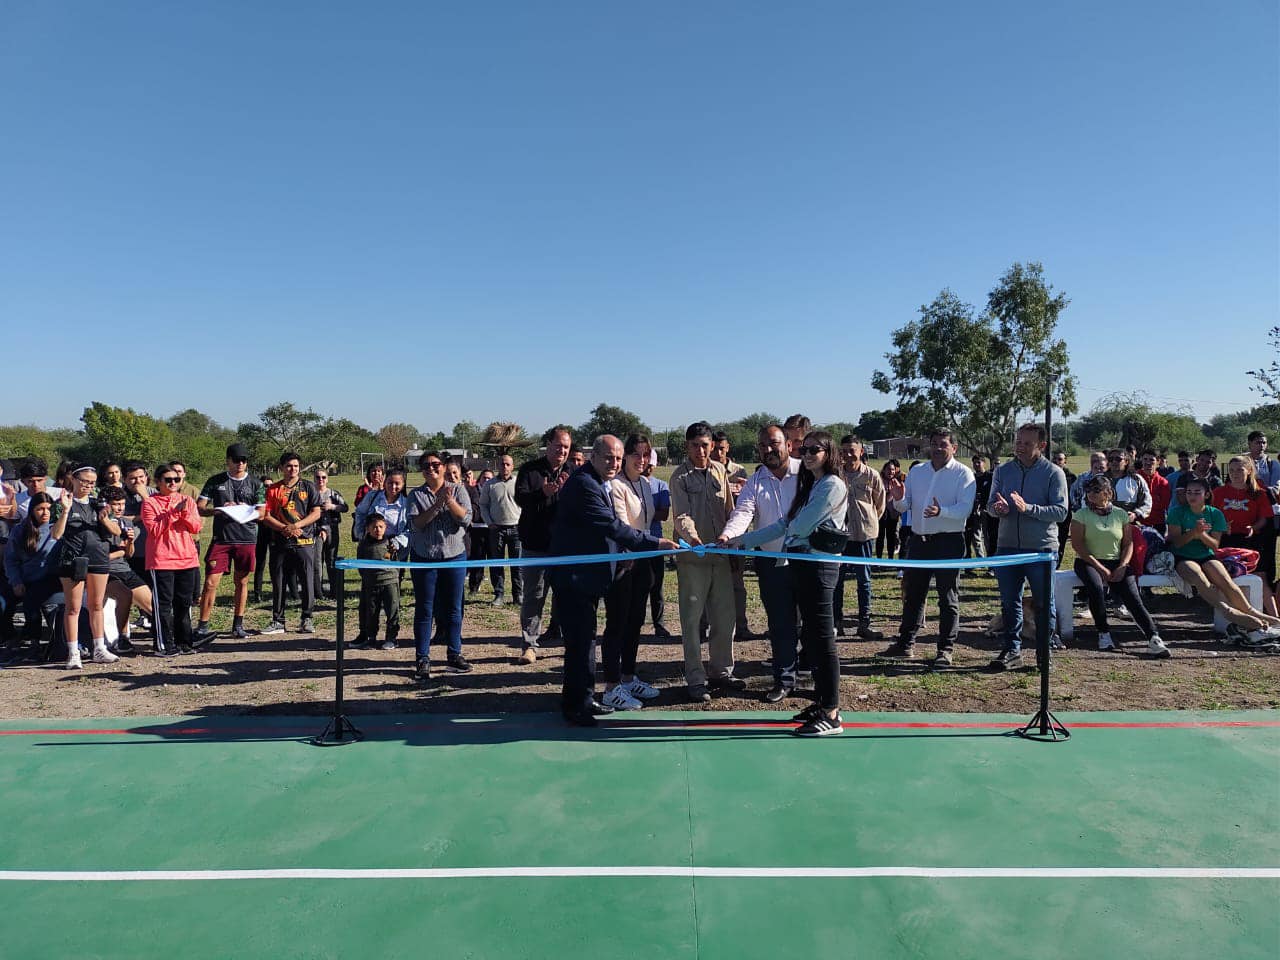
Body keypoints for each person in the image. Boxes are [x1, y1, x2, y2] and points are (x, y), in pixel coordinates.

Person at [549, 435, 679, 726]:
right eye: (608, 457)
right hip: (574, 579)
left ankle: (585, 697)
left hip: (588, 578)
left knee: (586, 641)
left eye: (618, 458)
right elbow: (612, 526)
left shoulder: (595, 481)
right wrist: (655, 543)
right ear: (592, 455)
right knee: (580, 644)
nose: (614, 463)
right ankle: (575, 706)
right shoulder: (585, 485)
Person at [729, 431, 849, 736]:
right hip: (803, 566)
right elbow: (786, 525)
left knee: (823, 640)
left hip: (820, 569)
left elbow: (800, 525)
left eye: (814, 450)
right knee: (812, 636)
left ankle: (832, 714)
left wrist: (792, 531)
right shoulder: (812, 484)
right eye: (805, 449)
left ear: (828, 452)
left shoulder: (832, 485)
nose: (807, 454)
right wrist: (740, 542)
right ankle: (822, 703)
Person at [718, 424, 802, 702]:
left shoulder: (807, 474)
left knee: (815, 625)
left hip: (806, 561)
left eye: (774, 444)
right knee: (780, 624)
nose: (768, 450)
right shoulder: (756, 480)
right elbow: (744, 511)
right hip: (770, 564)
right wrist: (730, 534)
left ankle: (817, 678)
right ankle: (784, 680)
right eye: (763, 446)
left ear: (788, 445)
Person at [883, 430, 976, 668]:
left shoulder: (964, 474)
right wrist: (897, 498)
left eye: (943, 444)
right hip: (918, 541)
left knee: (947, 599)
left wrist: (941, 511)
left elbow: (964, 510)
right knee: (913, 596)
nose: (937, 448)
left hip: (949, 543)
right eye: (934, 444)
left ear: (954, 448)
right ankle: (905, 645)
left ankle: (945, 650)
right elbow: (905, 506)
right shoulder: (917, 471)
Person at [670, 421, 744, 702]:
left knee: (725, 618)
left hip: (722, 557)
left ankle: (722, 671)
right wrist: (695, 538)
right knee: (691, 622)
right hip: (693, 558)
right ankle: (695, 677)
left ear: (713, 445)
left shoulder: (718, 471)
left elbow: (730, 511)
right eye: (694, 445)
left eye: (705, 445)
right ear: (686, 446)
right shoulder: (679, 477)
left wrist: (735, 545)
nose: (700, 450)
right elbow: (680, 515)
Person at [984, 423, 1068, 671]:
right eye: (1018, 442)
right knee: (1010, 602)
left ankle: (1044, 651)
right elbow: (990, 504)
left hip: (1040, 550)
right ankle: (1012, 650)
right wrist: (997, 509)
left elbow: (1061, 512)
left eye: (1026, 443)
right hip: (1007, 547)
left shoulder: (1054, 473)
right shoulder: (1003, 471)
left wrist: (1028, 508)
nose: (1019, 447)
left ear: (1041, 446)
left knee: (1043, 603)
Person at [1166, 477, 1280, 645]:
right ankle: (1230, 612)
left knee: (1226, 581)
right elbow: (1176, 542)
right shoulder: (1177, 512)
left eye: (1197, 492)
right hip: (1183, 557)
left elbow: (1214, 544)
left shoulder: (1215, 513)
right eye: (1189, 492)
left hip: (1206, 555)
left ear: (1206, 495)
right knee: (1200, 578)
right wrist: (1193, 533)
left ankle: (1252, 613)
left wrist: (1202, 534)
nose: (1192, 496)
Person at [598, 434, 664, 710]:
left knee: (636, 621)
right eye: (635, 454)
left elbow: (649, 521)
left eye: (645, 455)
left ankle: (628, 677)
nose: (641, 460)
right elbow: (623, 526)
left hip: (643, 560)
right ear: (624, 457)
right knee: (617, 624)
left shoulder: (646, 484)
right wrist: (635, 551)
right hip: (624, 562)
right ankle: (611, 686)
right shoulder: (615, 485)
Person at [1070, 476, 1169, 657]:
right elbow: (1078, 546)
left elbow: (1128, 543)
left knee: (1132, 596)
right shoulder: (1081, 515)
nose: (1090, 494)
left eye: (1095, 490)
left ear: (1107, 493)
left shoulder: (1120, 514)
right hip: (1088, 561)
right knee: (1096, 589)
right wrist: (1100, 567)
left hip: (1116, 560)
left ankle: (1153, 636)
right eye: (1088, 490)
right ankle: (1103, 632)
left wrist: (1123, 565)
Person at [406, 451, 472, 683]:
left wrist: (450, 501)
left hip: (454, 556)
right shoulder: (415, 494)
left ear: (444, 467)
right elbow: (416, 524)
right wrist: (437, 505)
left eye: (435, 465)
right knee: (425, 610)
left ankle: (454, 653)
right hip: (425, 558)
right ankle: (422, 658)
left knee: (455, 609)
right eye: (426, 466)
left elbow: (465, 519)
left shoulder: (458, 489)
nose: (431, 469)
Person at [191, 443, 267, 646]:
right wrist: (218, 510)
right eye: (236, 460)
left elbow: (262, 513)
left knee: (241, 582)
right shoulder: (216, 481)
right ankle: (203, 625)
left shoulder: (256, 483)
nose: (240, 464)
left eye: (243, 460)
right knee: (210, 582)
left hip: (246, 538)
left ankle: (238, 624)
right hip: (222, 538)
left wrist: (245, 509)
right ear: (228, 461)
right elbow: (200, 508)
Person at [513, 428, 573, 664]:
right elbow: (520, 498)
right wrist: (542, 493)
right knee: (534, 596)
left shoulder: (573, 472)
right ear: (548, 445)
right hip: (535, 545)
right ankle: (529, 645)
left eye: (566, 447)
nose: (562, 451)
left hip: (565, 547)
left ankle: (567, 640)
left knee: (566, 595)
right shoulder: (530, 470)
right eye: (558, 446)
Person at [57, 466, 121, 668]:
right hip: (73, 560)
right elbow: (56, 535)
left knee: (96, 605)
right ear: (73, 479)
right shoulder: (63, 503)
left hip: (99, 557)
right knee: (73, 607)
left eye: (92, 482)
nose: (88, 486)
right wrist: (66, 510)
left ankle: (99, 647)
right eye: (84, 481)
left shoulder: (98, 504)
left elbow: (116, 531)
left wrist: (103, 518)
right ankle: (73, 651)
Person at [140, 464, 203, 657]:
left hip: (187, 559)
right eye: (168, 480)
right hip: (162, 560)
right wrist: (174, 513)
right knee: (164, 605)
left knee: (184, 603)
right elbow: (154, 530)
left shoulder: (187, 500)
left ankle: (185, 642)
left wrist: (183, 513)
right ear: (158, 482)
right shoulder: (150, 503)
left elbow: (196, 527)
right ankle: (164, 644)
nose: (173, 483)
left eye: (177, 479)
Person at [260, 452, 322, 635]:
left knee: (307, 580)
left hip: (304, 541)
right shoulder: (273, 489)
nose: (292, 469)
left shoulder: (309, 487)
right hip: (280, 542)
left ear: (299, 468)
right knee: (279, 581)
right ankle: (278, 621)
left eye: (295, 466)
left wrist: (297, 525)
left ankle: (307, 618)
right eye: (288, 466)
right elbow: (266, 516)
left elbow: (316, 512)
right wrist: (283, 528)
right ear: (281, 468)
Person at [834, 436, 884, 639]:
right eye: (843, 450)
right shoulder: (836, 475)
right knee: (837, 580)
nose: (847, 454)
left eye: (851, 450)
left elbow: (879, 505)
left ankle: (865, 622)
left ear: (861, 451)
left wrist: (868, 521)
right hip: (840, 536)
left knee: (864, 581)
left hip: (864, 535)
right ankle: (837, 622)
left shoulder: (871, 475)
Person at [1213, 456, 1276, 616]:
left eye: (1239, 469)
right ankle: (1234, 617)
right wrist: (1220, 525)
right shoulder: (1219, 492)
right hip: (1226, 540)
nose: (1235, 473)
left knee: (1260, 577)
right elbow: (1210, 515)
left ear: (1248, 471)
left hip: (1250, 540)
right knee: (1225, 577)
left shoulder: (1258, 493)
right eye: (1232, 470)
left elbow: (1264, 518)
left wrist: (1253, 528)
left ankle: (1275, 618)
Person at [2, 492, 62, 653]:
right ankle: (8, 636)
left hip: (48, 578)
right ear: (32, 510)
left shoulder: (56, 527)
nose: (45, 513)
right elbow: (10, 560)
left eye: (49, 509)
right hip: (24, 577)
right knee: (3, 601)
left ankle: (33, 639)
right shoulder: (20, 530)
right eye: (40, 509)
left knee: (31, 601)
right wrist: (16, 581)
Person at [101, 486, 153, 652]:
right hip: (105, 571)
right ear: (106, 505)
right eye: (116, 504)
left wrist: (129, 543)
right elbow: (100, 556)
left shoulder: (126, 522)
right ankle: (123, 638)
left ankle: (170, 634)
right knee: (125, 595)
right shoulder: (97, 524)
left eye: (122, 504)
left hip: (124, 569)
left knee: (152, 604)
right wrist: (118, 552)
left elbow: (129, 554)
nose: (120, 508)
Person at [478, 454, 522, 606]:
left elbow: (526, 504)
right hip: (496, 529)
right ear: (498, 465)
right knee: (497, 563)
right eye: (502, 464)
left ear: (512, 466)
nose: (505, 467)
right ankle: (499, 595)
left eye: (508, 464)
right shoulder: (489, 484)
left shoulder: (519, 483)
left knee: (517, 565)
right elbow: (482, 505)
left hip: (516, 529)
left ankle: (518, 595)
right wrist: (489, 522)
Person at [353, 513, 400, 651]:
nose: (378, 530)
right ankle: (371, 638)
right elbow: (360, 564)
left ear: (385, 527)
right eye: (374, 527)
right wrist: (368, 578)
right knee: (371, 612)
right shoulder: (363, 545)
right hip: (371, 584)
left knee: (392, 611)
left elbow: (396, 562)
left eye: (381, 526)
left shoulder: (390, 544)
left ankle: (391, 638)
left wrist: (394, 577)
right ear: (368, 528)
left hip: (389, 582)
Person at [640, 448, 672, 638]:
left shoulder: (661, 486)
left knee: (656, 585)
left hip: (656, 542)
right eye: (646, 464)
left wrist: (641, 512)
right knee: (638, 585)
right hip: (636, 543)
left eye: (651, 465)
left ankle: (659, 623)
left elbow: (664, 514)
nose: (648, 468)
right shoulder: (629, 484)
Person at [313, 469, 348, 599]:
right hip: (315, 531)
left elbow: (345, 507)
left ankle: (334, 591)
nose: (320, 480)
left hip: (332, 529)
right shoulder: (311, 494)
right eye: (318, 477)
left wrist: (332, 507)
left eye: (323, 477)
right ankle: (318, 592)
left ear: (327, 479)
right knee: (317, 561)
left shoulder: (333, 493)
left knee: (331, 560)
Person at [1103, 449, 1151, 523]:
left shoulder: (1137, 479)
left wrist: (1135, 514)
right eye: (1111, 459)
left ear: (1126, 461)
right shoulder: (1099, 479)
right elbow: (1086, 500)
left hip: (1128, 524)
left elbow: (1147, 502)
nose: (1114, 462)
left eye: (1118, 459)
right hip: (1102, 523)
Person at [1052, 451, 1077, 566]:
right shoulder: (1049, 474)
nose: (1057, 461)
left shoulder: (1072, 477)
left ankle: (1057, 565)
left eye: (1060, 459)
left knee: (1061, 540)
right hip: (1051, 512)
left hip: (1065, 514)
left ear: (1065, 461)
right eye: (1055, 459)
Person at [1136, 450, 1171, 534]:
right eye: (1145, 459)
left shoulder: (1163, 483)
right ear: (1141, 460)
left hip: (1157, 525)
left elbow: (1165, 505)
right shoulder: (1133, 479)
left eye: (1151, 460)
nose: (1148, 463)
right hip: (1137, 524)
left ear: (1158, 461)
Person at [875, 460, 902, 560]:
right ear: (884, 470)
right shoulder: (879, 480)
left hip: (893, 513)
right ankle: (878, 559)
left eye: (893, 470)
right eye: (888, 469)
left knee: (891, 537)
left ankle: (890, 559)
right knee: (880, 537)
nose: (891, 472)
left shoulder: (897, 482)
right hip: (881, 513)